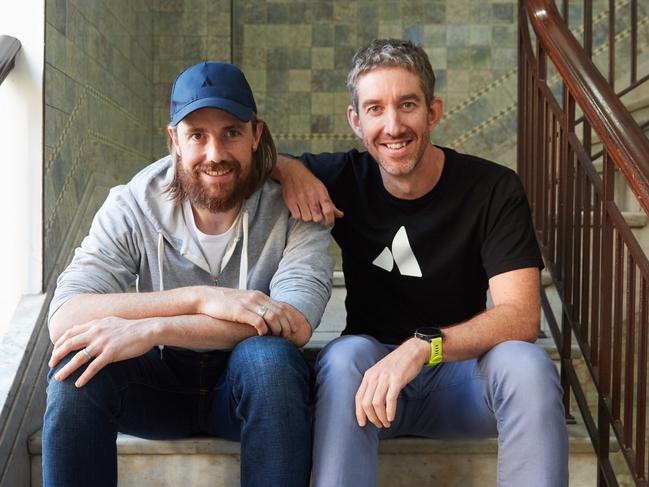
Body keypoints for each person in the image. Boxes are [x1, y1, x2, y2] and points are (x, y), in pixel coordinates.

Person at [273, 38, 568, 486]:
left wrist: (421, 346)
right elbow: (249, 160)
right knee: (344, 354)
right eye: (375, 109)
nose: (392, 125)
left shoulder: (492, 189)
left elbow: (521, 317)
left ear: (433, 112)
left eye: (407, 104)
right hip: (371, 394)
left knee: (527, 365)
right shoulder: (341, 179)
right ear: (356, 120)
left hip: (461, 383)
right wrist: (288, 168)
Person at [43, 61, 333, 487]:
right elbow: (64, 316)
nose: (215, 154)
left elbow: (295, 323)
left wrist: (155, 327)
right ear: (173, 140)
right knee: (77, 364)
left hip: (245, 389)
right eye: (197, 135)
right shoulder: (133, 204)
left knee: (270, 360)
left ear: (256, 135)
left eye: (231, 132)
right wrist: (197, 298)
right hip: (158, 387)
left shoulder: (296, 208)